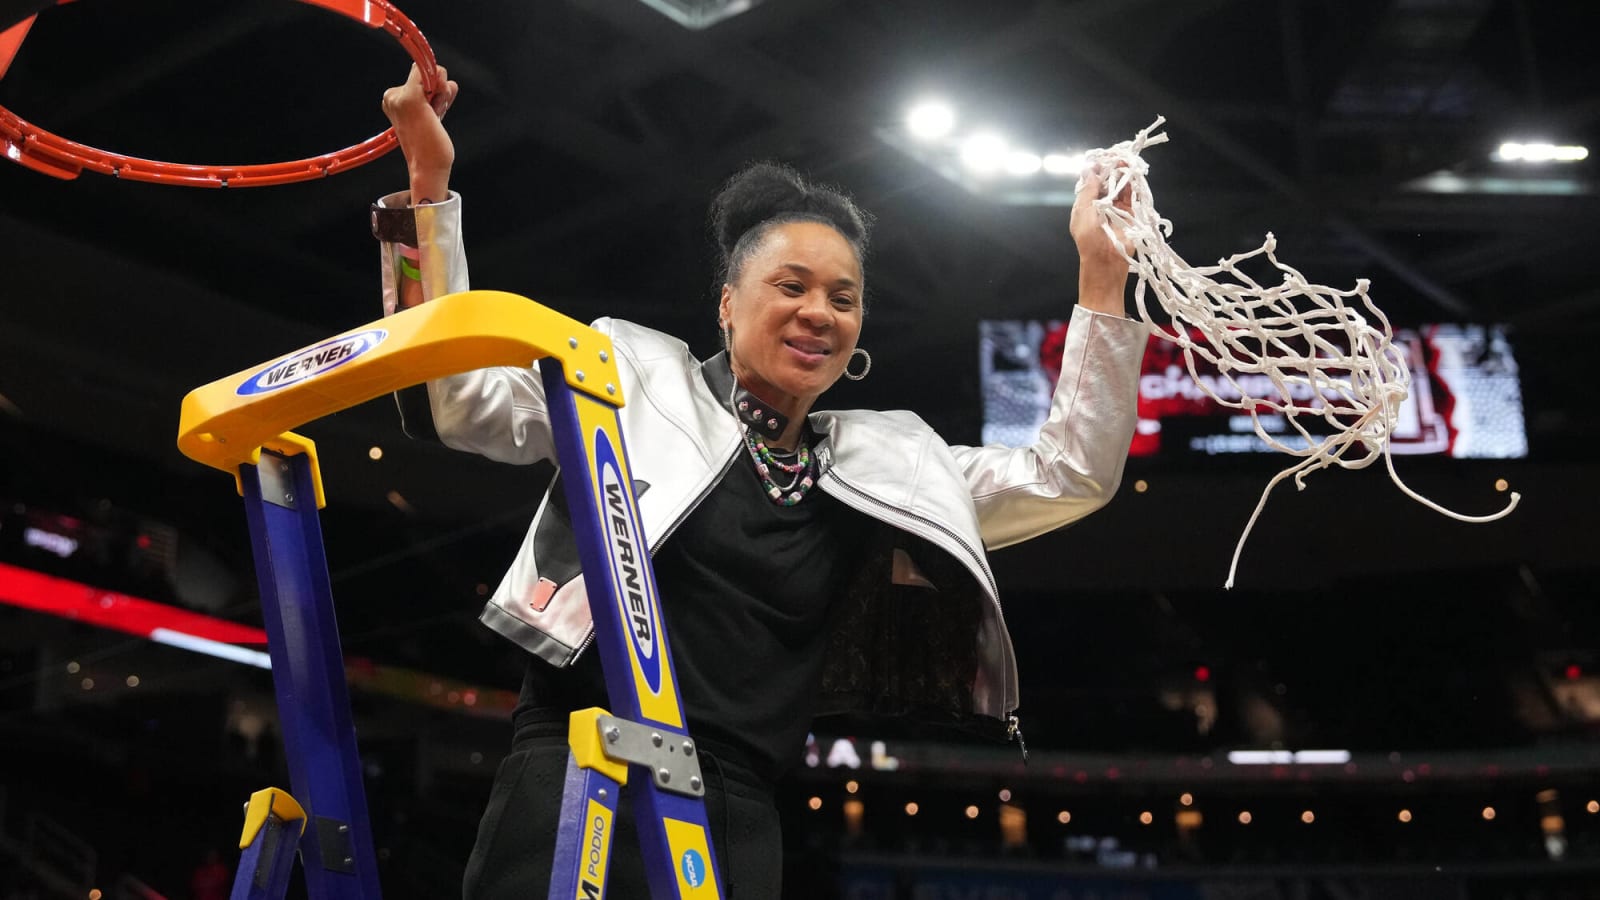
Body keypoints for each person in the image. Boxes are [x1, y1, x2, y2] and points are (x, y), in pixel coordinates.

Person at [371, 64, 1148, 898]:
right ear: (727, 305)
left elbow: (1069, 473)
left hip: (737, 816)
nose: (821, 311)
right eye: (792, 286)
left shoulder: (889, 465)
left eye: (844, 298)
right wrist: (429, 186)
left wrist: (1101, 276)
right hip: (579, 764)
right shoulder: (629, 371)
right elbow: (449, 396)